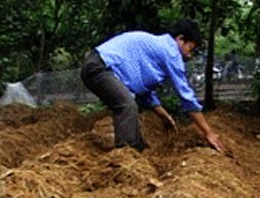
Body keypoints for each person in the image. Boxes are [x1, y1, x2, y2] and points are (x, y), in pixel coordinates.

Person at [81, 19, 227, 153]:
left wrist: (165, 116)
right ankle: (124, 156)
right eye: (190, 49)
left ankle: (137, 150)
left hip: (97, 66)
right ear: (180, 39)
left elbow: (145, 92)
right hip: (100, 67)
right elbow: (186, 96)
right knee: (127, 106)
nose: (189, 55)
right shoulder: (171, 52)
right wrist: (208, 133)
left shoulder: (158, 48)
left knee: (129, 109)